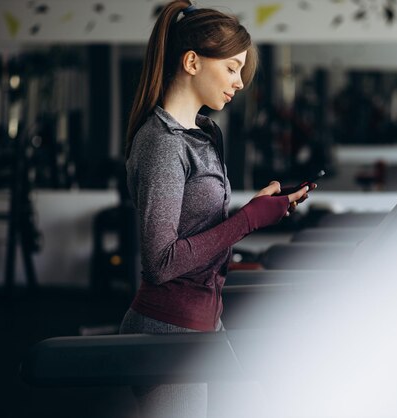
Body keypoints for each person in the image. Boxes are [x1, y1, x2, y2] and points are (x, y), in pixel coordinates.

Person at [118, 2, 313, 417]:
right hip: (168, 332)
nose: (240, 82)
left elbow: (200, 228)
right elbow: (161, 261)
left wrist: (259, 208)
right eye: (231, 68)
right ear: (191, 61)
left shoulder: (203, 135)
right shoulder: (163, 143)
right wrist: (248, 220)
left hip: (205, 321)